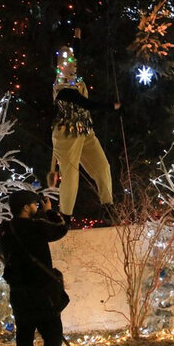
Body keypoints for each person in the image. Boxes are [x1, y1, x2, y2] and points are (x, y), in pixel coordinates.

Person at [0, 190, 70, 346]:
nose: (37, 207)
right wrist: (49, 212)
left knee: (25, 339)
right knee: (53, 334)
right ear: (25, 207)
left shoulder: (5, 229)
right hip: (40, 291)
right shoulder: (36, 226)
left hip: (19, 293)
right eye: (34, 204)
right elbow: (61, 229)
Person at [50, 28, 120, 223]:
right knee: (71, 175)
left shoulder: (75, 78)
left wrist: (77, 39)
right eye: (68, 65)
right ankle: (64, 216)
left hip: (85, 130)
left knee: (102, 166)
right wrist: (111, 106)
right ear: (59, 68)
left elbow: (76, 57)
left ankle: (108, 206)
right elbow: (85, 103)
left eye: (73, 64)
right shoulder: (62, 88)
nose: (72, 67)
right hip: (66, 134)